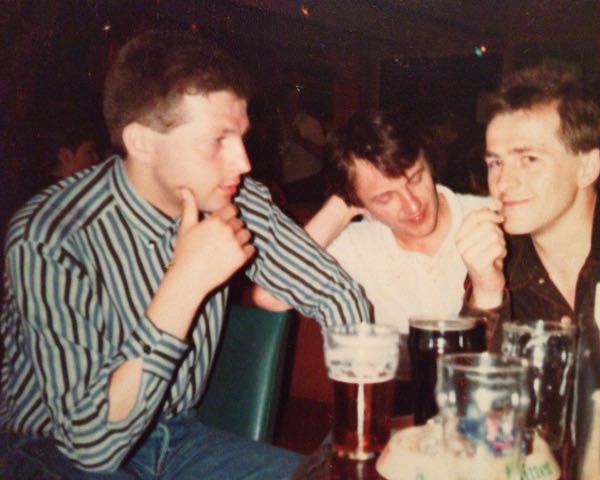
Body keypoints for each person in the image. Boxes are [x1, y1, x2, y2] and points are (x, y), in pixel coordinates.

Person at [0, 30, 371, 479]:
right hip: (47, 450)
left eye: (241, 137)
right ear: (142, 143)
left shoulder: (237, 200)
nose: (244, 162)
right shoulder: (50, 236)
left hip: (179, 436)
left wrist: (352, 443)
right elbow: (91, 446)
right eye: (218, 140)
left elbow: (342, 301)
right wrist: (186, 280)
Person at [455, 64, 600, 478]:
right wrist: (486, 294)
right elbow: (466, 420)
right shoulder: (497, 269)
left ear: (586, 167)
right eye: (495, 163)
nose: (503, 182)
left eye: (529, 159)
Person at [253, 108, 494, 413]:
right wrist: (341, 207)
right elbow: (269, 295)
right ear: (359, 204)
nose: (412, 204)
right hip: (400, 418)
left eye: (415, 177)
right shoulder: (355, 244)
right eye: (384, 197)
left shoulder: (489, 218)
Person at [277, 85, 326, 203]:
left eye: (295, 100)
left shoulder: (311, 123)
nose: (293, 104)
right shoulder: (280, 124)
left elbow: (324, 154)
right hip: (288, 184)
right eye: (289, 101)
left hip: (308, 183)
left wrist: (300, 140)